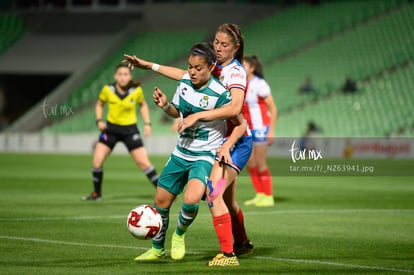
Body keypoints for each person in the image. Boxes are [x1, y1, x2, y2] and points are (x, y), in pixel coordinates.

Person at [123, 23, 254, 267]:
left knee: (213, 192)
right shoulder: (204, 71)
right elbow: (182, 75)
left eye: (224, 44)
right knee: (227, 199)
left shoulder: (234, 74)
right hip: (208, 143)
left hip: (235, 143)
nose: (217, 47)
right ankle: (242, 243)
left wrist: (199, 118)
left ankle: (227, 255)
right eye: (215, 42)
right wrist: (150, 67)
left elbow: (236, 112)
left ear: (236, 48)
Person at [82, 64, 159, 201]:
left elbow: (143, 105)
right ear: (115, 76)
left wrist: (147, 123)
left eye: (126, 74)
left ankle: (162, 193)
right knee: (97, 161)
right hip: (110, 130)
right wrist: (99, 120)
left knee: (144, 163)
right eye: (120, 74)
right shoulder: (107, 90)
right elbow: (99, 104)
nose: (123, 77)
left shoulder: (136, 90)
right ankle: (96, 194)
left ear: (130, 76)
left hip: (130, 130)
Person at [242, 55, 277, 207]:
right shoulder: (243, 84)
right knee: (250, 162)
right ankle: (260, 194)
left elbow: (273, 108)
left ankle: (268, 196)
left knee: (260, 161)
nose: (241, 67)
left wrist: (271, 130)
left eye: (244, 65)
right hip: (249, 128)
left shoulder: (259, 84)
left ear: (252, 68)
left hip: (261, 127)